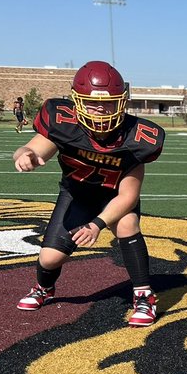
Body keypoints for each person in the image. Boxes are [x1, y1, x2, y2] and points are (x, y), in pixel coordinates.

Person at [12, 60, 164, 326]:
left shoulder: (137, 137)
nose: (101, 110)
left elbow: (128, 196)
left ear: (122, 102)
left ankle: (144, 296)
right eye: (93, 103)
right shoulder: (63, 121)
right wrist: (26, 156)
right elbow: (33, 148)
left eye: (108, 103)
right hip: (77, 195)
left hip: (114, 197)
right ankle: (44, 287)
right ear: (77, 101)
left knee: (128, 223)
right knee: (49, 259)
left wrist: (97, 225)